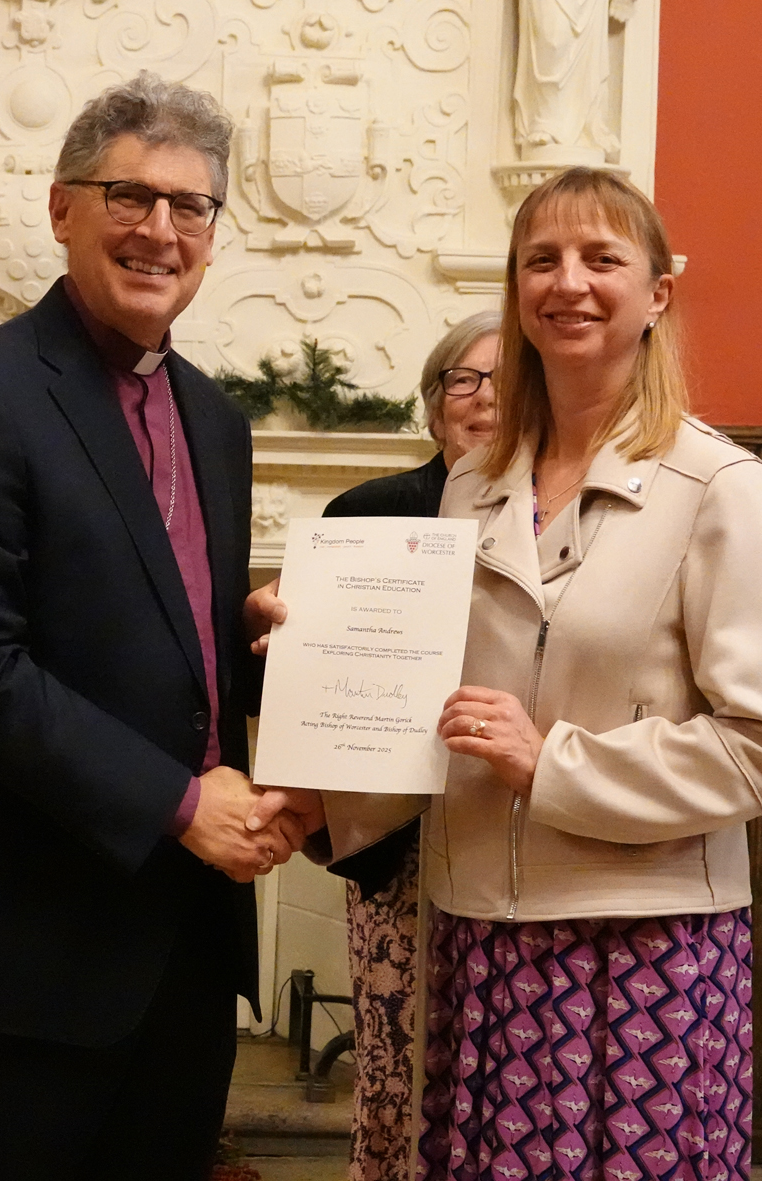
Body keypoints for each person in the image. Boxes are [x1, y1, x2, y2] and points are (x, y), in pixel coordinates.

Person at [254, 167, 762, 1180]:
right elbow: (440, 711)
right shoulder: (471, 485)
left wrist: (551, 760)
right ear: (516, 289)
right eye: (540, 258)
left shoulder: (718, 488)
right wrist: (315, 693)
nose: (568, 281)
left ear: (656, 293)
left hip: (640, 950)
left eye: (601, 257)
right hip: (474, 935)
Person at [0, 72, 320, 1181]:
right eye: (128, 194)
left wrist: (260, 648)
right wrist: (178, 802)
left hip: (181, 938)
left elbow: (161, 642)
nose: (159, 229)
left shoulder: (215, 419)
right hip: (23, 942)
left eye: (190, 205)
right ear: (62, 207)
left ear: (213, 232)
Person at [247, 309, 502, 1181]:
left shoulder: (559, 523)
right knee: (396, 1067)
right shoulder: (365, 516)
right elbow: (294, 681)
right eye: (464, 380)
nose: (486, 398)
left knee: (503, 1067)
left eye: (510, 379)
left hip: (521, 837)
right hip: (396, 843)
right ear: (434, 407)